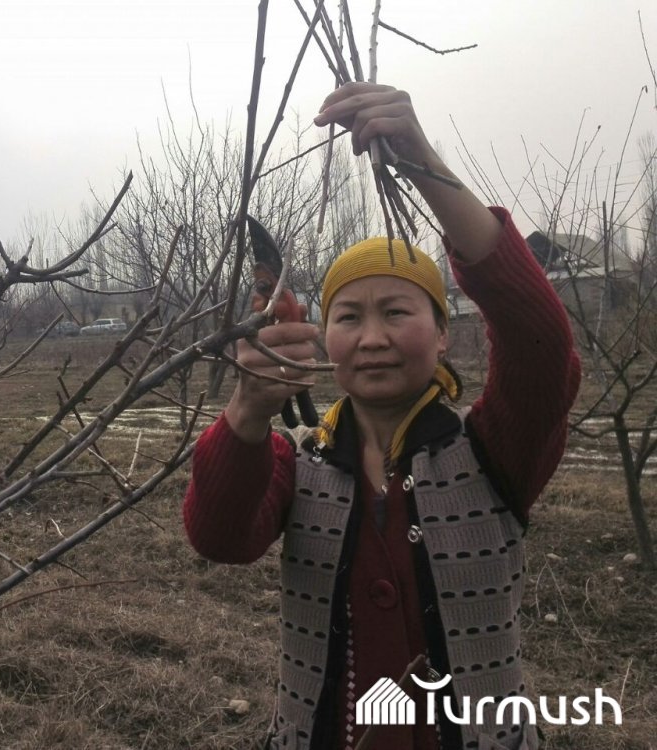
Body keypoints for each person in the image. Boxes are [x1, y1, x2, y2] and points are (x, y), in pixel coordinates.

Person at [183, 83, 581, 750]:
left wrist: (419, 159)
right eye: (348, 316)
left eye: (397, 312)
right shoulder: (297, 461)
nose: (372, 338)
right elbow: (220, 538)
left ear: (443, 332)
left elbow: (541, 342)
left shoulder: (494, 449)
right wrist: (248, 409)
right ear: (324, 337)